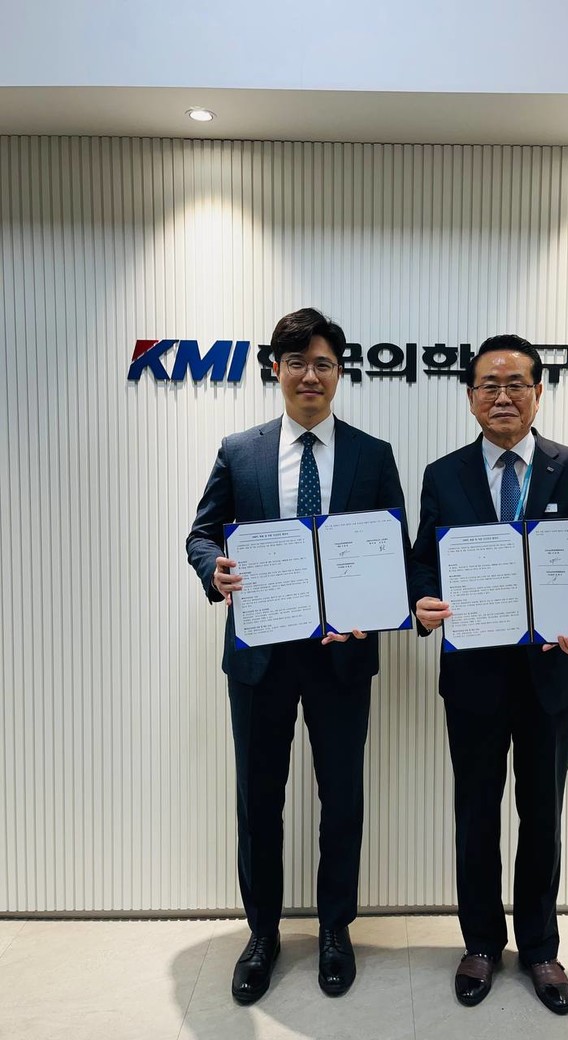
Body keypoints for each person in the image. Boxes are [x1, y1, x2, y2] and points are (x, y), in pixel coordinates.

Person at [186, 308, 407, 1004]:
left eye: (323, 364)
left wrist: (373, 612)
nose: (310, 375)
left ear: (340, 373)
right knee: (259, 800)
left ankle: (335, 929)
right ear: (275, 370)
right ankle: (262, 934)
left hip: (342, 658)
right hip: (261, 657)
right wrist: (214, 569)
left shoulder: (373, 455)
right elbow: (201, 535)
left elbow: (394, 553)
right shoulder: (239, 451)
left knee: (341, 799)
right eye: (296, 363)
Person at [410, 334, 568, 1015]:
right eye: (488, 385)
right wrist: (422, 602)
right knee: (475, 813)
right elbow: (423, 560)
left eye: (516, 383)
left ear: (538, 393)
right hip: (474, 679)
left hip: (552, 679)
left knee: (543, 814)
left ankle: (542, 947)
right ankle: (482, 945)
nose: (502, 396)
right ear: (470, 397)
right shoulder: (443, 475)